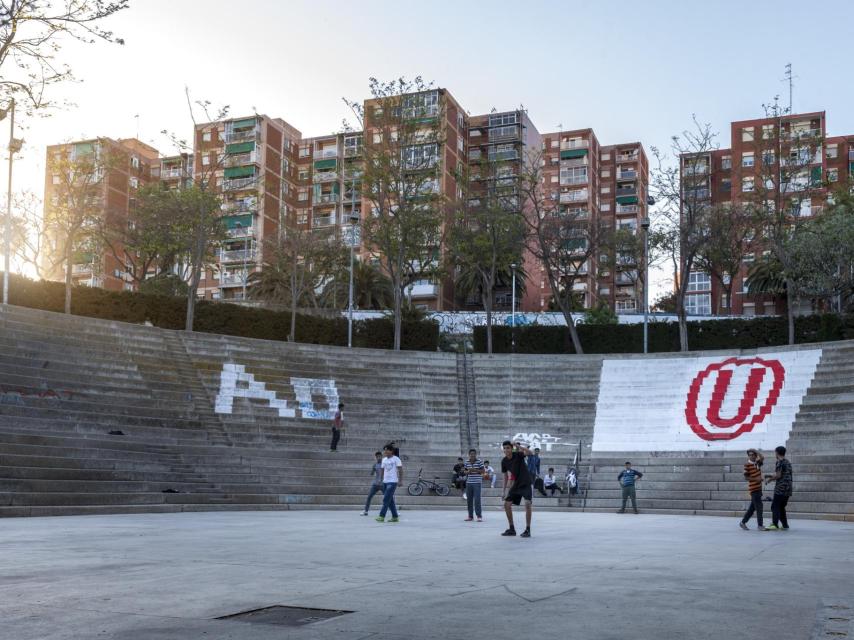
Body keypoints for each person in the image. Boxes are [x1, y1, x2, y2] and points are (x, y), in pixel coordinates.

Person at [501, 440, 533, 538]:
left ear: (512, 448)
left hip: (525, 482)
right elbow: (505, 476)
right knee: (507, 505)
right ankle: (512, 529)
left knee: (527, 504)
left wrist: (517, 446)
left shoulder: (518, 455)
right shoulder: (504, 461)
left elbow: (530, 453)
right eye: (505, 448)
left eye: (508, 448)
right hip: (516, 484)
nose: (506, 450)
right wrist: (504, 491)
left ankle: (527, 529)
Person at [764, 446, 793, 530]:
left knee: (774, 506)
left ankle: (774, 524)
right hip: (788, 488)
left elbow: (778, 475)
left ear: (777, 452)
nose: (775, 454)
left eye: (775, 452)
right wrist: (769, 475)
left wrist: (769, 480)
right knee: (781, 507)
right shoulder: (787, 462)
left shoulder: (779, 462)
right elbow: (782, 474)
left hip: (781, 488)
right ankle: (785, 525)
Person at [739, 449, 766, 531]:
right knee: (759, 507)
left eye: (753, 454)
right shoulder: (747, 465)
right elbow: (746, 477)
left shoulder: (757, 463)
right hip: (754, 489)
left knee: (752, 508)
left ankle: (743, 522)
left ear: (755, 455)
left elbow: (762, 457)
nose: (751, 456)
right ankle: (760, 525)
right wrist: (756, 479)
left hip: (759, 488)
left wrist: (755, 450)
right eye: (750, 455)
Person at [376, 444, 402, 523]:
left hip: (393, 481)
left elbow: (400, 470)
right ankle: (395, 517)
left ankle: (381, 516)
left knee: (386, 499)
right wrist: (380, 479)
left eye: (387, 450)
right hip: (385, 482)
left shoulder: (396, 459)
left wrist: (400, 481)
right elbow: (382, 470)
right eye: (384, 450)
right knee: (390, 501)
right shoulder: (384, 460)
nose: (385, 451)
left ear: (391, 451)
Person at [463, 448, 485, 522]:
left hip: (477, 483)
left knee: (477, 500)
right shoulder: (466, 462)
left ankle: (479, 516)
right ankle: (470, 516)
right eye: (471, 454)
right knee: (469, 500)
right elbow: (465, 471)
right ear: (469, 455)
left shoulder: (479, 462)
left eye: (474, 454)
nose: (472, 455)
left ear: (476, 454)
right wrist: (467, 472)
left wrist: (474, 470)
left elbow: (483, 471)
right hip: (469, 483)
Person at [361, 451, 384, 516]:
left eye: (380, 456)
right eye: (377, 457)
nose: (378, 458)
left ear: (382, 457)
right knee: (369, 497)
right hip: (375, 484)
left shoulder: (384, 464)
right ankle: (366, 511)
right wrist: (372, 469)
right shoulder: (375, 464)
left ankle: (394, 511)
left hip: (383, 484)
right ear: (376, 457)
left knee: (388, 498)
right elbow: (372, 473)